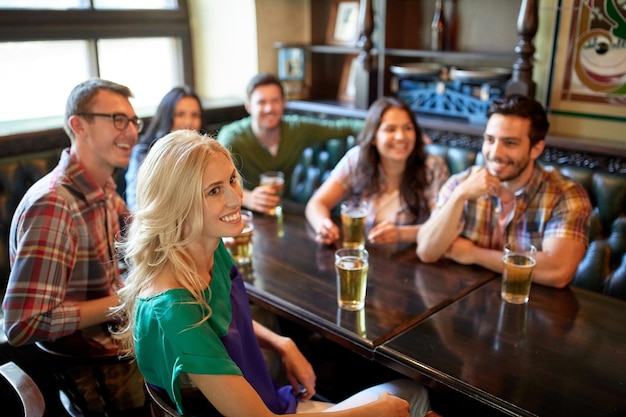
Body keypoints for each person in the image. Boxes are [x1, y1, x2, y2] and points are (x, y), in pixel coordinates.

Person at [114, 129, 434, 417]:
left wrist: (282, 343)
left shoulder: (207, 247)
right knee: (412, 397)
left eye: (231, 180)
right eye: (213, 191)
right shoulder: (173, 308)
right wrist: (375, 412)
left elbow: (221, 322)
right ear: (175, 205)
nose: (235, 197)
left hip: (263, 399)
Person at [2, 78, 147, 415]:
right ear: (78, 125)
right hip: (102, 373)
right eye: (118, 120)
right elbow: (22, 323)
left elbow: (136, 250)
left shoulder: (104, 192)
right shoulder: (55, 204)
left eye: (134, 122)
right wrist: (122, 301)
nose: (130, 132)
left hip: (122, 345)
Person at [416, 95, 592, 289]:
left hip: (534, 308)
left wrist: (474, 254)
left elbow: (558, 271)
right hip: (465, 305)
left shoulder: (566, 195)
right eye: (490, 140)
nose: (495, 153)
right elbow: (426, 251)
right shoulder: (461, 183)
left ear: (536, 148)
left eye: (510, 143)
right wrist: (459, 196)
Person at [305, 96, 449, 247]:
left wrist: (402, 234)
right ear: (373, 137)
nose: (401, 137)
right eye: (390, 129)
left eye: (408, 128)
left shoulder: (432, 167)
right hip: (362, 256)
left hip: (413, 258)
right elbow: (316, 204)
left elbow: (442, 226)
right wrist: (323, 226)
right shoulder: (357, 159)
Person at [217, 72, 364, 214]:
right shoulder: (232, 136)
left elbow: (344, 127)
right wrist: (247, 198)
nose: (269, 108)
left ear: (283, 103)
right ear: (249, 106)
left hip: (283, 209)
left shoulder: (296, 129)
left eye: (275, 101)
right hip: (240, 210)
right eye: (261, 102)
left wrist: (381, 131)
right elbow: (213, 181)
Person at [125, 85, 203, 210]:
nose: (188, 121)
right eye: (180, 114)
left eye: (195, 115)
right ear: (167, 116)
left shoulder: (204, 152)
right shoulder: (144, 152)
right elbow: (135, 203)